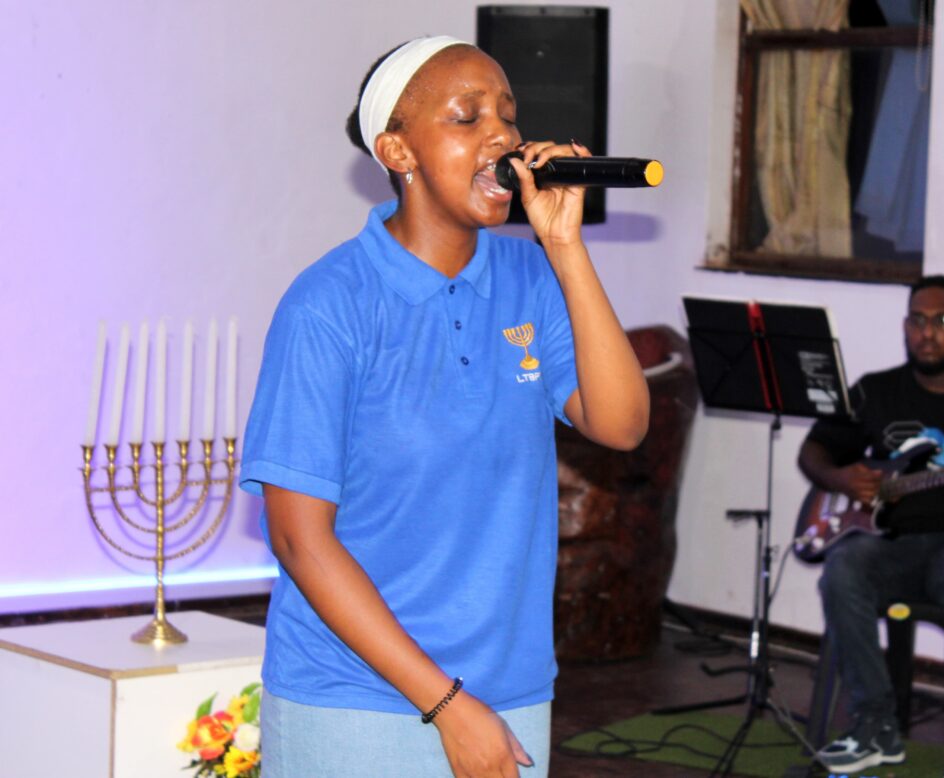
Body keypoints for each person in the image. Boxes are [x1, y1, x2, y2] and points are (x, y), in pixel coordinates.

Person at [239, 35, 649, 778]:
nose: (503, 136)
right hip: (356, 699)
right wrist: (448, 706)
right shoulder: (330, 304)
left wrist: (565, 247)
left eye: (508, 116)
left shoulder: (531, 278)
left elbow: (622, 424)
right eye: (468, 117)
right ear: (397, 152)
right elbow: (300, 541)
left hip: (509, 692)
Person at [799, 275, 944, 778]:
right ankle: (874, 725)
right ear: (905, 326)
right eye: (917, 320)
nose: (927, 332)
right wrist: (841, 477)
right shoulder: (875, 391)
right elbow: (814, 451)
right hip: (893, 544)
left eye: (942, 321)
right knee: (843, 567)